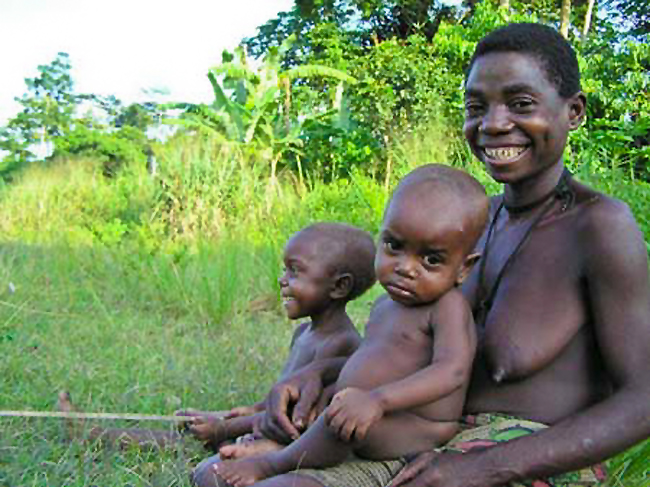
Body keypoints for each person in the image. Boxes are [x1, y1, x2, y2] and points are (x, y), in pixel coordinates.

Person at [203, 23, 650, 487]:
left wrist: (482, 467)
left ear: (573, 111)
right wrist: (320, 373)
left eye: (521, 104)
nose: (493, 124)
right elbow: (419, 351)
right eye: (476, 107)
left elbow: (643, 400)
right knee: (218, 476)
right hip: (424, 439)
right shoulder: (470, 224)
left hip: (525, 456)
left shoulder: (599, 226)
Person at [197, 164, 489, 487]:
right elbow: (370, 360)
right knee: (325, 409)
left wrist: (377, 400)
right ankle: (278, 443)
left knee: (340, 416)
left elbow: (452, 371)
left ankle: (274, 461)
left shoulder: (448, 307)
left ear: (464, 268)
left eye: (431, 260)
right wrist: (325, 375)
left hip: (415, 428)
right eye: (394, 246)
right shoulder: (385, 305)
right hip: (367, 415)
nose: (406, 268)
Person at [60, 222, 376, 453]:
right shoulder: (304, 333)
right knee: (185, 439)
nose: (282, 280)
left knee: (191, 445)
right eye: (284, 270)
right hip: (265, 428)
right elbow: (281, 398)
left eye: (294, 272)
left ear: (339, 287)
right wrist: (248, 410)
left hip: (287, 446)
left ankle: (93, 435)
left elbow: (298, 417)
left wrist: (223, 427)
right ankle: (94, 433)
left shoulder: (342, 344)